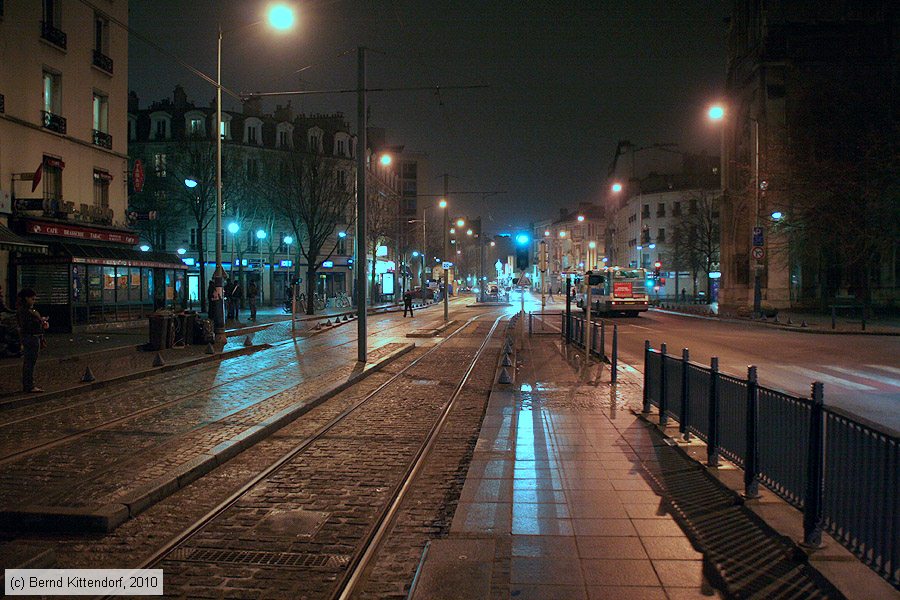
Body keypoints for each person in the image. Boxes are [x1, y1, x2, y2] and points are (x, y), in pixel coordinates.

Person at [16, 288, 48, 393]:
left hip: (31, 337)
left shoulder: (25, 310)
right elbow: (28, 325)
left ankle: (29, 385)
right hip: (31, 338)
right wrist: (41, 322)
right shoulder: (26, 311)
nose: (34, 301)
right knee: (30, 363)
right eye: (32, 299)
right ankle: (29, 386)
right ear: (27, 298)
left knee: (29, 362)